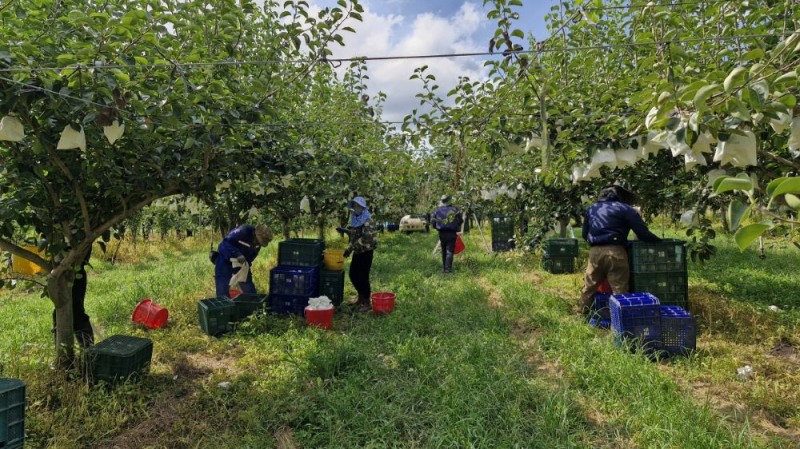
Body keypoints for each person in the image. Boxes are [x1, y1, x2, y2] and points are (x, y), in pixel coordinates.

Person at [579, 184, 661, 314]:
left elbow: (584, 234)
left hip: (594, 253)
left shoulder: (591, 209)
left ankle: (583, 315)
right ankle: (619, 324)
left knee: (589, 287)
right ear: (619, 196)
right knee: (619, 289)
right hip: (615, 252)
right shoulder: (626, 209)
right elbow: (642, 233)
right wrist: (659, 241)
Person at [337, 196, 378, 312]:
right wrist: (346, 234)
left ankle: (366, 302)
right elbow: (355, 235)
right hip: (358, 251)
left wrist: (351, 248)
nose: (356, 208)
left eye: (358, 206)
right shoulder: (356, 218)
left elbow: (366, 238)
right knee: (353, 274)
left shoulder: (368, 220)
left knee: (363, 276)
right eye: (355, 206)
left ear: (363, 207)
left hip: (366, 252)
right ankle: (360, 297)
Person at [214, 224, 272, 298]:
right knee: (222, 287)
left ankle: (252, 306)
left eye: (259, 243)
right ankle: (224, 307)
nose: (257, 244)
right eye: (257, 241)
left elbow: (251, 257)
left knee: (249, 289)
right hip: (225, 259)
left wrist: (246, 265)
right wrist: (237, 253)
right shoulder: (243, 230)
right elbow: (226, 243)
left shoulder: (258, 245)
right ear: (254, 234)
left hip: (241, 263)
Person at [52, 246, 94, 348]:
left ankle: (88, 353)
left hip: (74, 273)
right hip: (60, 274)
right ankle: (63, 353)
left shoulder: (78, 233)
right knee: (59, 312)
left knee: (77, 313)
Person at [432, 195, 463, 274]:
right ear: (449, 201)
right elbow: (461, 220)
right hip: (451, 232)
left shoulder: (437, 211)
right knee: (449, 250)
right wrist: (455, 225)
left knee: (444, 250)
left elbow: (433, 222)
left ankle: (444, 268)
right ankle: (447, 269)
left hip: (442, 233)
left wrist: (438, 227)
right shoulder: (455, 210)